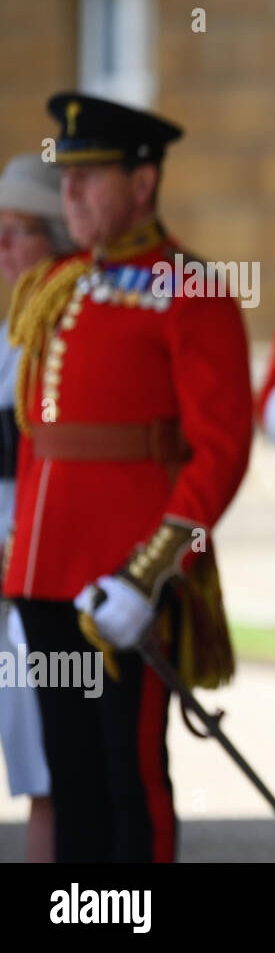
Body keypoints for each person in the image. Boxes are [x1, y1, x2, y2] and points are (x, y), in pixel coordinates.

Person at [4, 93, 253, 862]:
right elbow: (36, 440)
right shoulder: (58, 284)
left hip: (123, 581)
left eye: (89, 176)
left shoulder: (192, 289)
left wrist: (148, 574)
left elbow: (221, 449)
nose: (69, 193)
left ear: (142, 183)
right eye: (66, 177)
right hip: (45, 579)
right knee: (70, 774)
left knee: (128, 776)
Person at [0, 153, 76, 862]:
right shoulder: (8, 339)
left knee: (50, 774)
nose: (3, 251)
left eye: (17, 232)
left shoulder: (73, 340)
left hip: (44, 573)